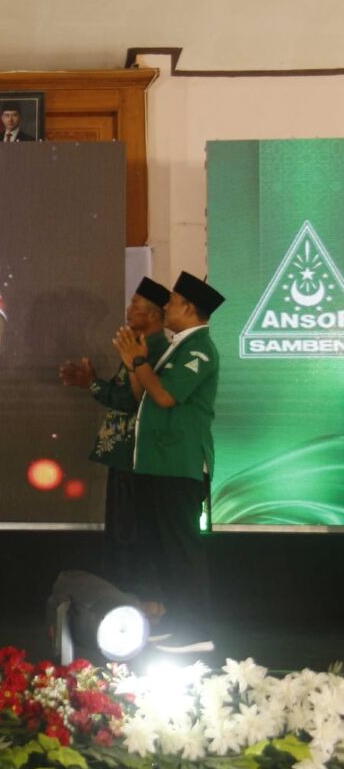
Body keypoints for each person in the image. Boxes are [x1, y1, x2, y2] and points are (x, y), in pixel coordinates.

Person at [112, 271, 225, 654]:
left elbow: (165, 396)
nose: (167, 308)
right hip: (156, 465)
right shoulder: (177, 346)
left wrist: (138, 359)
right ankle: (177, 623)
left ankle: (196, 631)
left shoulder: (199, 349)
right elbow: (143, 392)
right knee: (162, 550)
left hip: (180, 465)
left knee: (181, 551)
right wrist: (133, 363)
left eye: (173, 302)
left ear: (189, 308)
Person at [60, 278, 170, 600]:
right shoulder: (137, 346)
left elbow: (134, 400)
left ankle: (135, 598)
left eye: (136, 304)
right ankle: (124, 597)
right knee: (122, 532)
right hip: (126, 457)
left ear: (154, 314)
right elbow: (124, 393)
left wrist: (94, 385)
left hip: (137, 457)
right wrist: (92, 382)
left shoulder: (156, 351)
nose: (128, 309)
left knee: (131, 533)